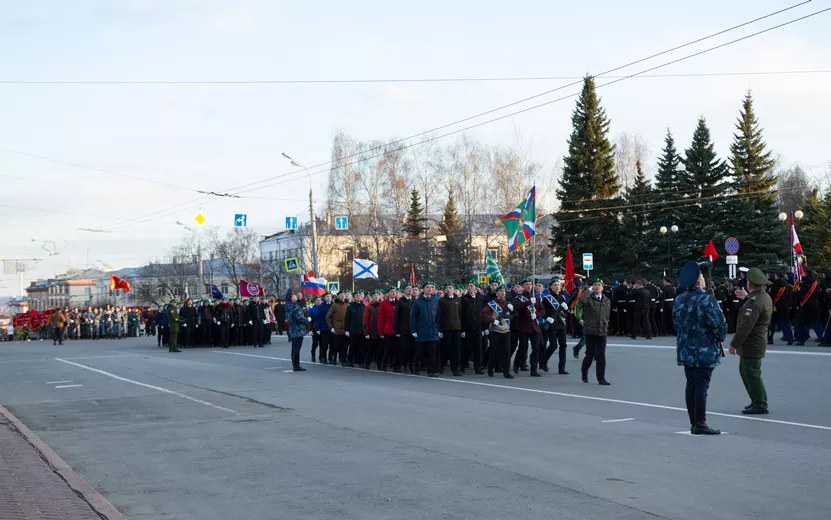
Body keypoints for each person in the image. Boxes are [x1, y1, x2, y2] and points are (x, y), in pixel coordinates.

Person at [673, 261, 727, 435]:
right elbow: (719, 326)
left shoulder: (679, 299)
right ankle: (700, 423)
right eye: (702, 277)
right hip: (704, 349)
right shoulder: (707, 299)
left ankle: (694, 422)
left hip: (686, 349)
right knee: (702, 386)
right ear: (698, 282)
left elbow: (676, 323)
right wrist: (719, 337)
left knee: (691, 384)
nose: (704, 279)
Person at [729, 268, 773, 415]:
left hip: (752, 343)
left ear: (750, 284)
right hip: (755, 342)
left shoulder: (753, 302)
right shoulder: (763, 297)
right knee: (746, 371)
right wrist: (747, 297)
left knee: (751, 373)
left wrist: (734, 343)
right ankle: (756, 400)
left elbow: (746, 325)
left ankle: (760, 403)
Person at [576, 278, 612, 385]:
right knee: (590, 354)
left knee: (601, 355)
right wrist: (588, 290)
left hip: (602, 330)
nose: (597, 286)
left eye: (599, 285)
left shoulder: (606, 300)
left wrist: (606, 324)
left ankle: (601, 378)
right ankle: (584, 372)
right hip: (590, 330)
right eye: (595, 285)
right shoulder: (588, 299)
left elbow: (607, 314)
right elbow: (580, 303)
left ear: (602, 287)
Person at [480, 284, 515, 379]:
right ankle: (490, 367)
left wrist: (514, 311)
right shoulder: (492, 304)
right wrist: (491, 319)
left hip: (506, 330)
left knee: (506, 352)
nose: (503, 292)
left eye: (504, 291)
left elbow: (515, 315)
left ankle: (506, 372)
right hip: (496, 330)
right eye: (500, 291)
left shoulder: (508, 304)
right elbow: (483, 314)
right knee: (494, 350)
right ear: (497, 293)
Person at [410, 280, 441, 377]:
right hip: (421, 331)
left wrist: (438, 330)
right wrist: (414, 330)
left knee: (432, 353)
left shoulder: (435, 301)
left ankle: (431, 370)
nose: (429, 289)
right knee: (420, 352)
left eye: (431, 287)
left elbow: (438, 317)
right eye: (427, 287)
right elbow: (413, 317)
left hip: (432, 332)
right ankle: (415, 367)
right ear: (423, 289)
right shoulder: (418, 302)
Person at [541, 278, 569, 374]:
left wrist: (566, 309)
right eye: (554, 285)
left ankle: (561, 368)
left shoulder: (563, 298)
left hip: (561, 324)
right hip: (552, 325)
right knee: (553, 345)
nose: (557, 287)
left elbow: (566, 312)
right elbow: (541, 312)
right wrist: (547, 318)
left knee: (563, 345)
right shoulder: (547, 298)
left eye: (558, 285)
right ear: (550, 287)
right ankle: (543, 361)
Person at [460, 279, 485, 375]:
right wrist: (462, 330)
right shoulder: (464, 299)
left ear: (476, 288)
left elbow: (483, 313)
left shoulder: (480, 298)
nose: (469, 287)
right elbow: (461, 315)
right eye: (469, 285)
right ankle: (462, 366)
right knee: (466, 348)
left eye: (472, 286)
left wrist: (484, 328)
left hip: (478, 327)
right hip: (467, 328)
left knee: (478, 349)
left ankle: (477, 367)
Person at [439, 282, 463, 376]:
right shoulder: (442, 300)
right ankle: (442, 365)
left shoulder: (458, 300)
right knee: (446, 349)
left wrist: (462, 328)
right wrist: (440, 330)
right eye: (447, 287)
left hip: (457, 328)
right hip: (446, 328)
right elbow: (440, 315)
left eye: (450, 287)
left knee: (456, 349)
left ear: (453, 289)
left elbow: (460, 314)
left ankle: (455, 369)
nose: (448, 289)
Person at [393, 285, 415, 373]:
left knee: (413, 349)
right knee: (404, 348)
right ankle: (403, 364)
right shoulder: (400, 302)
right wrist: (397, 330)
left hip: (413, 329)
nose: (410, 290)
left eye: (411, 289)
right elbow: (396, 317)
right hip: (403, 329)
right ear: (404, 291)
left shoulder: (414, 301)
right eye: (408, 289)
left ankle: (411, 365)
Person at [285, 290, 308, 371]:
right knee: (297, 348)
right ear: (291, 297)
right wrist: (307, 320)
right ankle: (296, 366)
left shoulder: (288, 305)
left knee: (294, 347)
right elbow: (299, 318)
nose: (295, 296)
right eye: (294, 295)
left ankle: (295, 365)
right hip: (298, 329)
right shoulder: (295, 306)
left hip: (292, 328)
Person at [326, 291, 349, 365]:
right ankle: (334, 357)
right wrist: (331, 327)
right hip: (337, 328)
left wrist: (349, 328)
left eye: (344, 294)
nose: (343, 296)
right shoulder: (334, 305)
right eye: (341, 295)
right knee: (336, 344)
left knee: (345, 345)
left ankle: (343, 359)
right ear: (338, 296)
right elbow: (328, 317)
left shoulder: (348, 305)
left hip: (345, 328)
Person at [377, 287, 397, 372]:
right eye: (391, 291)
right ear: (388, 293)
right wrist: (380, 332)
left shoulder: (398, 303)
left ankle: (393, 364)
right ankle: (383, 364)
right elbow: (380, 318)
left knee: (395, 349)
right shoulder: (383, 304)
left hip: (396, 330)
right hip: (387, 330)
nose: (393, 293)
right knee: (387, 348)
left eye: (395, 292)